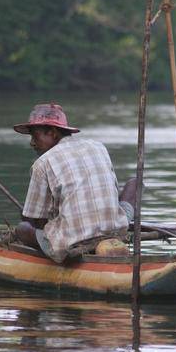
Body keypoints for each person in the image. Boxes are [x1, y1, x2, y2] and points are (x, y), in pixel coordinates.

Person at [13, 103, 136, 263]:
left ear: (52, 133)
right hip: (115, 228)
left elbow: (36, 221)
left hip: (71, 240)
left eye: (35, 136)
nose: (32, 143)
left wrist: (32, 219)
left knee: (23, 229)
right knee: (134, 183)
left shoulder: (42, 163)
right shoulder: (98, 147)